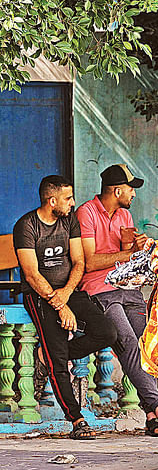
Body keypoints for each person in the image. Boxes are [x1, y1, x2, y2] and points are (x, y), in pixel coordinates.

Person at [76, 164, 158, 437]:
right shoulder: (86, 213)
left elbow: (126, 258)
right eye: (131, 188)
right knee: (128, 342)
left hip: (128, 287)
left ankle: (151, 415)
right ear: (117, 189)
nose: (133, 194)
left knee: (147, 342)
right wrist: (125, 256)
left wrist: (137, 248)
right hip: (100, 289)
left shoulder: (125, 215)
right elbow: (89, 262)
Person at [14, 175, 117, 439]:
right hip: (40, 296)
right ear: (52, 201)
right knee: (58, 360)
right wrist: (60, 306)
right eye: (68, 198)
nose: (73, 203)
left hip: (69, 290)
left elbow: (79, 262)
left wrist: (67, 294)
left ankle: (46, 357)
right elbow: (31, 274)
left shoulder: (69, 221)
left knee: (107, 333)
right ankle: (76, 419)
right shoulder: (26, 226)